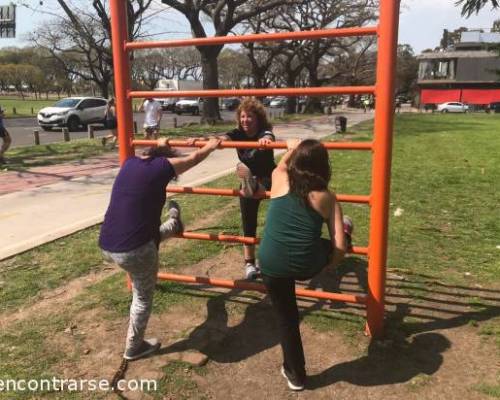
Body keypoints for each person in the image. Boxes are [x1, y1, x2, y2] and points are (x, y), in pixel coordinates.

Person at [99, 136, 220, 361]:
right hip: (134, 250)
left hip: (106, 243)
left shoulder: (131, 163)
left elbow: (153, 155)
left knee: (146, 240)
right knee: (142, 297)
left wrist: (161, 146)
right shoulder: (163, 168)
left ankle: (173, 224)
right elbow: (193, 158)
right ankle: (134, 347)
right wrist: (211, 146)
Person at [258, 138, 353, 391]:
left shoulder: (279, 179)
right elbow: (341, 248)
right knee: (339, 240)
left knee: (286, 319)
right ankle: (347, 228)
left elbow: (280, 165)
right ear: (325, 166)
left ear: (296, 162)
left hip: (268, 262)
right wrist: (331, 265)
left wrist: (292, 148)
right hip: (305, 264)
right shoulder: (328, 197)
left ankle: (296, 375)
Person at [219, 97, 276, 280]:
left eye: (250, 117)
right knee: (248, 222)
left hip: (268, 178)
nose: (245, 121)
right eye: (243, 117)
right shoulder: (238, 133)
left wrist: (266, 140)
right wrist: (214, 141)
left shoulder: (263, 132)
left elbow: (269, 135)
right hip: (247, 180)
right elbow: (225, 137)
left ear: (258, 119)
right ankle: (249, 264)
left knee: (277, 217)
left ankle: (253, 184)